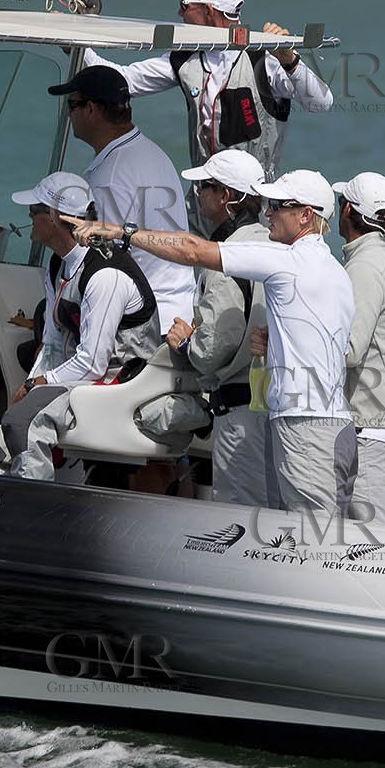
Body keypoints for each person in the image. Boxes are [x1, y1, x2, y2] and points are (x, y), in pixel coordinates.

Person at [68, 169, 356, 515]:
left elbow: (193, 251)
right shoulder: (337, 271)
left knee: (312, 538)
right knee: (325, 529)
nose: (268, 212)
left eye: (278, 206)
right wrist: (278, 342)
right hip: (337, 422)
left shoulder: (291, 261)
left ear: (306, 215)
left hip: (305, 425)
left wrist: (120, 232)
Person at [80, 0, 333, 183]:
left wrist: (289, 60)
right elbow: (122, 81)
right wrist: (77, 44)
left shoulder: (264, 58)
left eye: (185, 5)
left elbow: (320, 103)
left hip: (257, 206)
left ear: (209, 11)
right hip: (203, 201)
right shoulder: (182, 58)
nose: (179, 13)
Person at [1, 172, 160, 481]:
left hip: (121, 384)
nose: (29, 217)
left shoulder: (105, 273)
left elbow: (92, 363)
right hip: (86, 378)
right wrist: (30, 384)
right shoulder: (58, 264)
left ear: (53, 217)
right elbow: (50, 342)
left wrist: (36, 386)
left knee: (22, 422)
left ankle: (29, 512)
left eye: (34, 210)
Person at [49, 65, 196, 330]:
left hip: (144, 327)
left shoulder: (109, 176)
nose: (68, 114)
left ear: (91, 110)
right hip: (179, 310)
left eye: (72, 105)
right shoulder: (151, 152)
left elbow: (106, 261)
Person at [164, 150, 272, 506]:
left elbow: (213, 350)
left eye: (203, 188)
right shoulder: (274, 243)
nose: (197, 195)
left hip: (241, 410)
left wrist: (185, 342)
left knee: (241, 513)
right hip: (275, 404)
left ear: (225, 196)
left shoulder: (224, 255)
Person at [334, 172, 385, 525]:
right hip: (379, 427)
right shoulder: (380, 260)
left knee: (369, 549)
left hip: (368, 431)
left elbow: (349, 350)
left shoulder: (363, 267)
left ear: (347, 209)